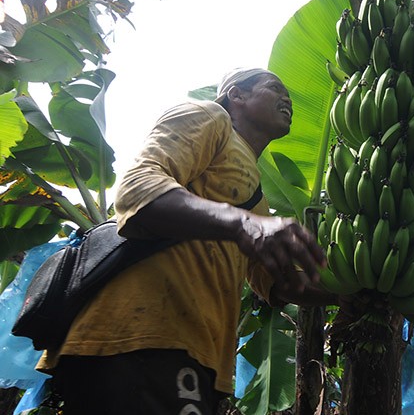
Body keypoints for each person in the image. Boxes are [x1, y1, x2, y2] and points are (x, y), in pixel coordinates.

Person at [37, 68, 331, 414]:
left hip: (194, 353)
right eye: (274, 88)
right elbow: (139, 191)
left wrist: (351, 293)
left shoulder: (256, 198)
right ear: (236, 95)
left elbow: (278, 283)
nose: (288, 100)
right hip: (140, 336)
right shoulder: (208, 117)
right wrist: (243, 223)